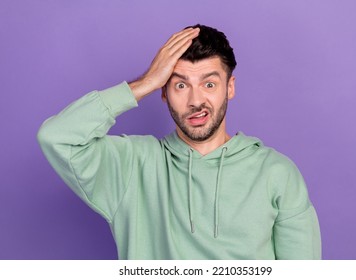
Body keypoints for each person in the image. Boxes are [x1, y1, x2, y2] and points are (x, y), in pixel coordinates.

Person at [37, 24, 321, 259]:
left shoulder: (276, 173)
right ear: (163, 92)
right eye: (180, 85)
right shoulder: (129, 166)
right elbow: (56, 137)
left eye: (209, 84)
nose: (196, 101)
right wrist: (145, 82)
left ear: (229, 88)